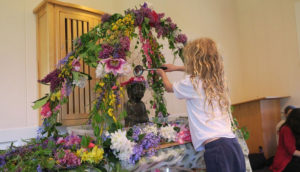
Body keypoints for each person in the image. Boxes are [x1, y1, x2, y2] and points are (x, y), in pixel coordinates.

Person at [156, 38, 245, 172]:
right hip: (232, 145)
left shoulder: (192, 83)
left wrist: (162, 74)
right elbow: (199, 70)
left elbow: (168, 87)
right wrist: (176, 68)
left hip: (216, 148)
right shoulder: (216, 81)